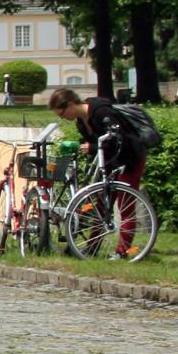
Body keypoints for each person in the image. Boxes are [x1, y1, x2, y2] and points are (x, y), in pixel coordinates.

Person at [47, 86, 147, 255]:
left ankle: (122, 252)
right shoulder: (81, 122)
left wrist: (92, 147)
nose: (63, 118)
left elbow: (119, 138)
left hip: (129, 158)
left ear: (70, 104)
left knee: (125, 205)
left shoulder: (101, 112)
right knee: (101, 206)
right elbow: (98, 143)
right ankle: (92, 247)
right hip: (109, 162)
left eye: (62, 114)